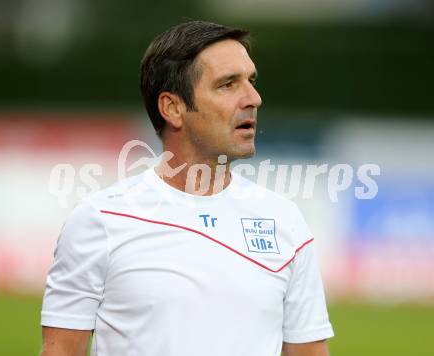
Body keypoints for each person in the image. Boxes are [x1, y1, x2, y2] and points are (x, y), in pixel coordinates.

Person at [41, 20, 334, 356]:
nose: (254, 98)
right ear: (173, 108)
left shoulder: (285, 221)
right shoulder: (100, 221)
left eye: (250, 81)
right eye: (227, 85)